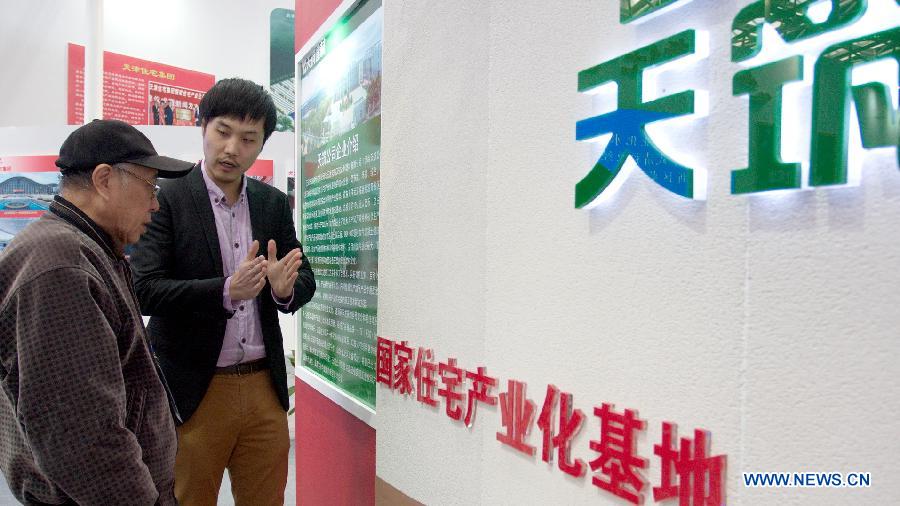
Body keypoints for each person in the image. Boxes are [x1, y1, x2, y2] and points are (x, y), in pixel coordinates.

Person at [131, 78, 316, 506]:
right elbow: (143, 289)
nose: (233, 148)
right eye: (223, 132)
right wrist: (226, 291)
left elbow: (301, 275)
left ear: (262, 144)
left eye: (249, 139)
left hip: (263, 390)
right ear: (203, 128)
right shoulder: (168, 198)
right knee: (187, 497)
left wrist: (284, 291)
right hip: (194, 389)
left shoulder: (270, 203)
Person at [0, 119, 193, 505]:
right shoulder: (61, 266)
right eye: (150, 185)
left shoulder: (85, 248)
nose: (156, 202)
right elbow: (82, 436)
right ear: (105, 180)